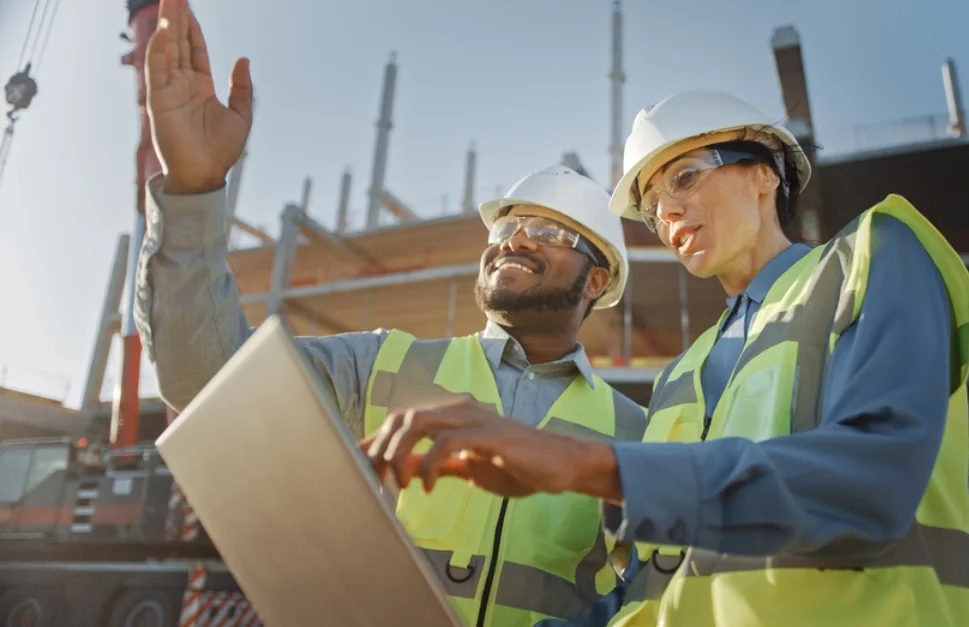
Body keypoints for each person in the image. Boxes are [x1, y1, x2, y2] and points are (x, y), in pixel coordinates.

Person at [377, 87, 969, 627]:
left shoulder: (874, 259)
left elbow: (870, 483)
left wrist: (583, 463)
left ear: (764, 173)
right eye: (651, 203)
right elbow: (657, 583)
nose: (665, 213)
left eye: (686, 177)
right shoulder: (680, 377)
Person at [134, 2, 646, 626]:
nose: (513, 239)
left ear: (597, 278)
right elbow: (210, 383)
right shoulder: (383, 364)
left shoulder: (638, 432)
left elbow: (653, 594)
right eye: (508, 225)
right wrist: (191, 191)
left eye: (543, 230)